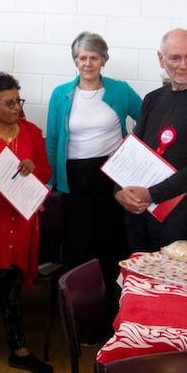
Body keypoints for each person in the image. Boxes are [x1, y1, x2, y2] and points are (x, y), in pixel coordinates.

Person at [46, 31, 142, 314]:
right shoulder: (60, 94)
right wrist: (51, 181)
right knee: (78, 245)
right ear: (75, 60)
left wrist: (129, 153)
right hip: (74, 178)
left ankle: (110, 313)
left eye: (93, 57)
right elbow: (52, 139)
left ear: (104, 60)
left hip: (110, 177)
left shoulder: (120, 90)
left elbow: (145, 119)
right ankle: (78, 313)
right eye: (82, 57)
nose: (87, 63)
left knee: (110, 243)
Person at [0, 73, 54, 373]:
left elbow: (46, 171)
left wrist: (33, 169)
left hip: (17, 222)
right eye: (9, 103)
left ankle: (19, 349)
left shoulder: (31, 132)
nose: (16, 107)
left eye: (18, 101)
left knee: (11, 285)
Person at [114, 29, 187, 253]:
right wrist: (118, 190)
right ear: (161, 58)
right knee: (136, 279)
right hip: (137, 211)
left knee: (167, 285)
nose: (184, 65)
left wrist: (150, 194)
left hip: (175, 217)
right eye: (175, 57)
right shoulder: (152, 99)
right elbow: (131, 151)